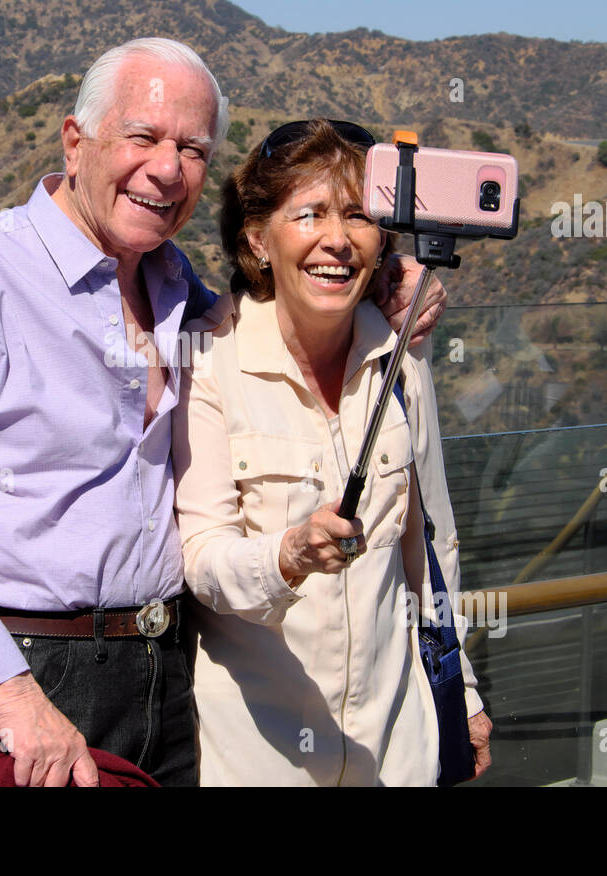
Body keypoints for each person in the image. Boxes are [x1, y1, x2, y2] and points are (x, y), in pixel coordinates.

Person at [0, 40, 447, 788]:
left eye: (192, 149)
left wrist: (391, 280)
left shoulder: (185, 297)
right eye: (142, 137)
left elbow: (295, 304)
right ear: (76, 143)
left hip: (168, 677)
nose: (167, 169)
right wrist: (12, 695)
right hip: (23, 677)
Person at [172, 118, 492, 785]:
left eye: (359, 216)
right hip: (262, 759)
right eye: (309, 213)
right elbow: (202, 557)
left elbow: (432, 547)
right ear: (259, 240)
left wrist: (461, 695)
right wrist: (285, 556)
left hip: (397, 753)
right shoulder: (209, 361)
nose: (337, 240)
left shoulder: (402, 361)